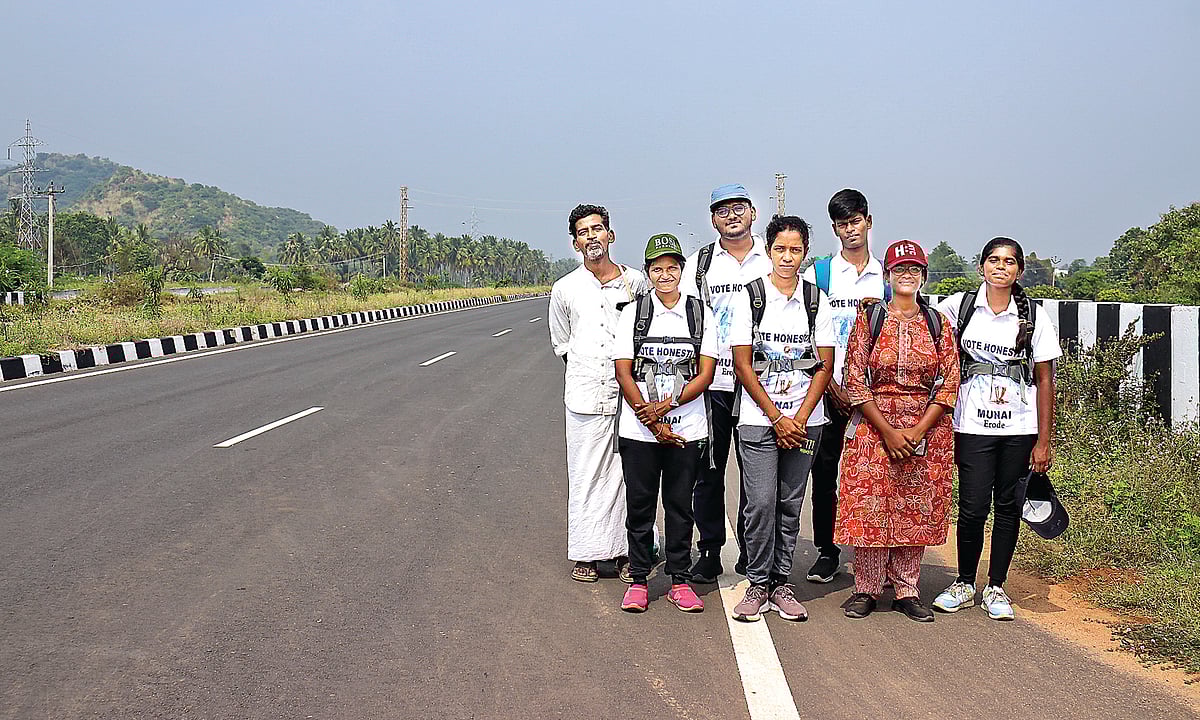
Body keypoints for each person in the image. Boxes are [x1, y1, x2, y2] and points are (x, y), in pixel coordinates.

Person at [931, 237, 1061, 620]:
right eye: (993, 260)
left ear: (1019, 270)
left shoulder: (1035, 316)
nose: (1000, 267)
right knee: (971, 508)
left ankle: (996, 587)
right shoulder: (961, 306)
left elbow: (1045, 380)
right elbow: (920, 319)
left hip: (1018, 428)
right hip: (971, 425)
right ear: (980, 267)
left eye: (1008, 261)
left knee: (1007, 507)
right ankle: (964, 582)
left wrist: (1043, 441)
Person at [836, 240, 960, 622]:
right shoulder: (869, 320)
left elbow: (950, 380)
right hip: (875, 425)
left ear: (923, 276)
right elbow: (854, 377)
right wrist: (888, 430)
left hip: (926, 426)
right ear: (888, 275)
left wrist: (920, 429)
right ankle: (867, 588)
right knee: (872, 503)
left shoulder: (938, 322)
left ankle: (907, 589)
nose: (907, 276)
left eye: (914, 270)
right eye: (899, 269)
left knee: (914, 505)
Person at [728, 215, 835, 622]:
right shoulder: (750, 298)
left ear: (805, 252)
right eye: (780, 249)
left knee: (790, 503)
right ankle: (758, 582)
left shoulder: (815, 300)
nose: (787, 257)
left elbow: (824, 364)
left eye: (795, 249)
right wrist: (776, 417)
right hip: (759, 419)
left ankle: (781, 581)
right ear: (768, 250)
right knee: (760, 502)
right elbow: (742, 363)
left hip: (807, 420)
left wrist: (800, 417)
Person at [614, 233, 717, 613]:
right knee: (640, 504)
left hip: (687, 430)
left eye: (672, 268)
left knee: (679, 506)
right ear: (648, 272)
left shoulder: (699, 313)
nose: (665, 275)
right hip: (639, 431)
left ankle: (679, 578)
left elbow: (705, 374)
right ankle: (639, 578)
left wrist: (668, 406)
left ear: (681, 270)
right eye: (657, 269)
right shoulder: (634, 313)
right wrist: (653, 421)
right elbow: (624, 372)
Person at [549, 204, 649, 583]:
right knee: (587, 473)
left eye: (597, 229)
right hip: (585, 396)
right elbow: (562, 345)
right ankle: (588, 554)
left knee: (630, 475)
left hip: (632, 397)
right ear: (575, 242)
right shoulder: (565, 289)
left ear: (611, 235)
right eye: (583, 232)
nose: (591, 237)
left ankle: (627, 552)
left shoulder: (636, 282)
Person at [678, 183, 772, 583]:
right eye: (722, 210)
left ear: (753, 212)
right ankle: (710, 550)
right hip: (712, 384)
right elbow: (684, 316)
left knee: (756, 474)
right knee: (709, 472)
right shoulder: (700, 264)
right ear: (712, 218)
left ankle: (753, 552)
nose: (731, 216)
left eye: (738, 208)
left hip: (761, 383)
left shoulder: (773, 259)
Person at [800, 188, 889, 584]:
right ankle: (827, 549)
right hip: (826, 393)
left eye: (855, 221)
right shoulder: (818, 274)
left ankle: (877, 553)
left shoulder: (886, 277)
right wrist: (830, 386)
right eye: (841, 224)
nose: (849, 230)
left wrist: (865, 393)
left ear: (868, 221)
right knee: (824, 475)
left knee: (877, 476)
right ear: (833, 229)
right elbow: (802, 332)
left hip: (874, 397)